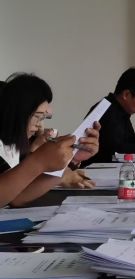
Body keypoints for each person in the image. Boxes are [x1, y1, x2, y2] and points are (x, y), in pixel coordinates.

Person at [0, 73, 100, 207]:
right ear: (17, 112)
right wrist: (38, 161)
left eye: (42, 118)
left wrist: (72, 157)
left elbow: (17, 196)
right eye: (37, 117)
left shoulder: (14, 146)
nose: (40, 126)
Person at [81, 67, 135, 167]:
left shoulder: (119, 110)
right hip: (93, 172)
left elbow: (130, 141)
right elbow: (118, 150)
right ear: (126, 94)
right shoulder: (107, 111)